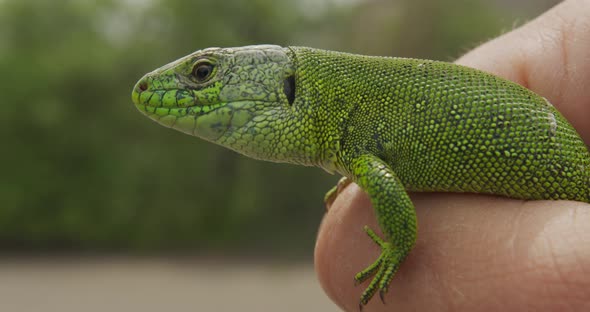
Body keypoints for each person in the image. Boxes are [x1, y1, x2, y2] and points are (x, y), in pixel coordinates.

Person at [315, 0, 590, 310]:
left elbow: (383, 181)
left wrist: (399, 245)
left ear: (290, 91)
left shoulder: (358, 154)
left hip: (568, 176)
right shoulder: (355, 149)